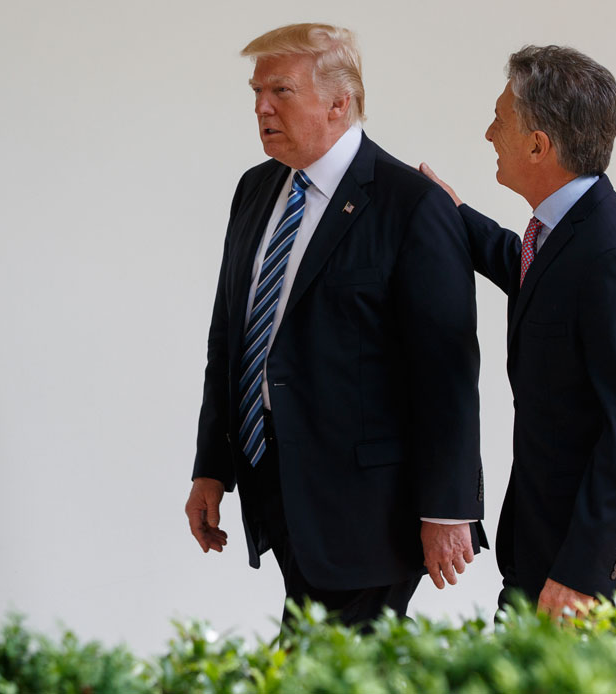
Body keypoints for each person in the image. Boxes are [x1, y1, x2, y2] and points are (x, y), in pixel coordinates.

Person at [185, 23, 486, 628]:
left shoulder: (412, 205)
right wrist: (210, 466)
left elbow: (446, 371)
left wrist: (449, 509)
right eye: (256, 92)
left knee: (323, 662)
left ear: (339, 102)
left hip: (372, 508)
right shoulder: (255, 190)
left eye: (281, 91)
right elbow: (231, 338)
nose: (261, 107)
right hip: (279, 483)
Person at [420, 45, 616, 619]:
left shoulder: (615, 253)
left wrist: (581, 575)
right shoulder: (573, 234)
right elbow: (541, 278)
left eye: (501, 120)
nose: (489, 133)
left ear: (539, 145)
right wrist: (455, 218)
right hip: (556, 550)